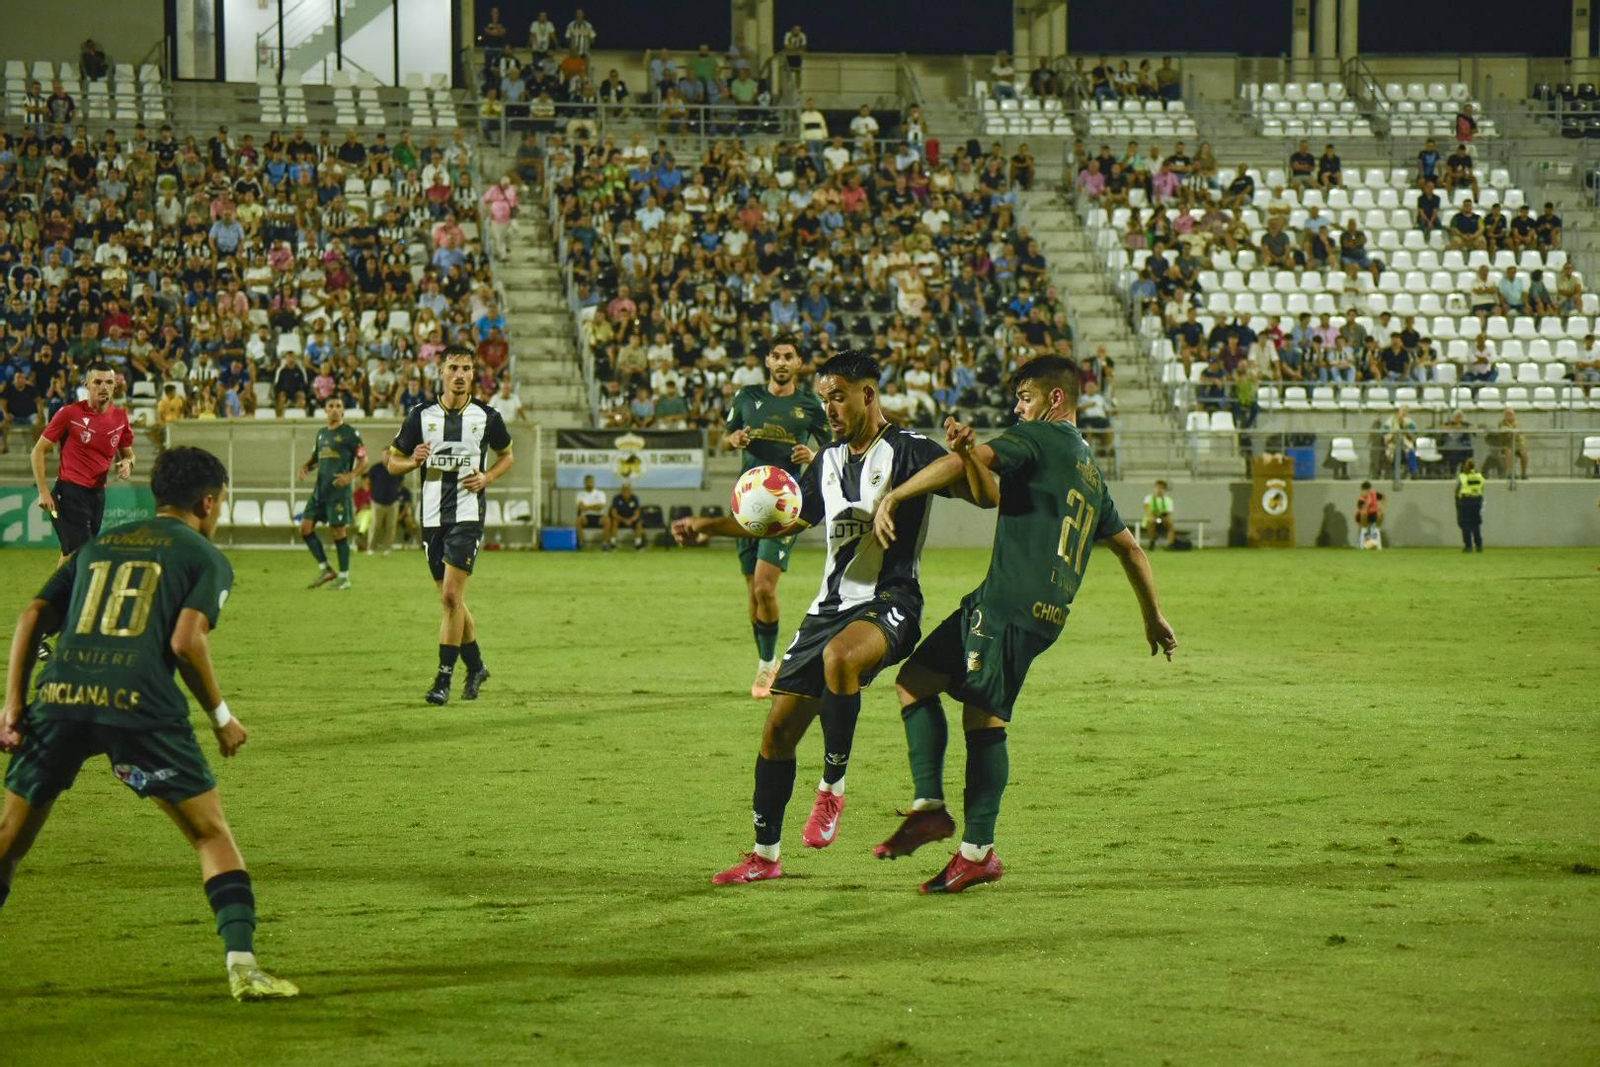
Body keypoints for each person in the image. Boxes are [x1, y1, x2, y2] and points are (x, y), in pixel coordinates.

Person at [869, 356, 1177, 892]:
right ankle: (930, 809)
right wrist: (1153, 617)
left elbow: (970, 465)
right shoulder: (1088, 469)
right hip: (1014, 603)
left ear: (1054, 399)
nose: (1018, 407)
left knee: (982, 721)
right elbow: (1129, 549)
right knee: (914, 680)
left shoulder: (1039, 438)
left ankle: (976, 852)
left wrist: (897, 492)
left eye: (1025, 396)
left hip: (1012, 607)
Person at [0, 446, 297, 1001]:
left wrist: (13, 704)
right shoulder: (205, 556)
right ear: (208, 502)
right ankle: (243, 966)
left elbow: (32, 614)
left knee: (10, 842)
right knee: (210, 834)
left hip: (61, 693)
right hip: (140, 704)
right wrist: (222, 719)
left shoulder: (99, 543)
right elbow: (186, 640)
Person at [672, 351, 966, 885]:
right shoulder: (826, 461)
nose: (828, 406)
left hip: (891, 601)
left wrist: (900, 496)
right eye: (824, 396)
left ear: (868, 395)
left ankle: (831, 789)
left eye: (838, 395)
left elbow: (962, 471)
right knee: (776, 734)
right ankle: (764, 857)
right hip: (827, 610)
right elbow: (783, 522)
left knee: (841, 659)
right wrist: (712, 525)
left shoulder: (910, 449)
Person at [386, 346, 515, 706]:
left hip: (468, 514)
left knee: (450, 597)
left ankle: (443, 679)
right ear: (441, 372)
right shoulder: (421, 416)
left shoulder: (487, 416)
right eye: (453, 367)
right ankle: (476, 666)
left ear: (474, 374)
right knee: (453, 602)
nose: (460, 374)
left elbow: (508, 456)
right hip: (431, 518)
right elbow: (390, 461)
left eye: (467, 369)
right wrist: (412, 461)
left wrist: (487, 476)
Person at [721, 335, 829, 697]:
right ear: (767, 361)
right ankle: (767, 661)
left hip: (784, 509)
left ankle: (768, 669)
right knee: (754, 592)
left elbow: (835, 450)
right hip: (747, 505)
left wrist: (813, 456)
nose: (782, 362)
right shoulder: (746, 398)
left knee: (766, 588)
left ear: (799, 364)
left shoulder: (811, 406)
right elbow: (724, 438)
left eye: (789, 357)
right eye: (776, 356)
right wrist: (733, 440)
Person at [32, 363, 135, 565]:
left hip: (97, 496)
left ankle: (55, 596)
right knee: (85, 551)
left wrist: (127, 463)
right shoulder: (69, 413)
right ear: (86, 384)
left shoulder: (121, 417)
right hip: (68, 493)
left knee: (70, 553)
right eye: (97, 382)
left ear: (115, 386)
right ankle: (78, 595)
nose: (103, 387)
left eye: (108, 382)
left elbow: (129, 454)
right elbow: (37, 451)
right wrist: (43, 490)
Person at [296, 397, 367, 591]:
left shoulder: (350, 434)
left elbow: (364, 460)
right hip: (320, 491)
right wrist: (305, 467)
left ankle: (344, 577)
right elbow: (315, 458)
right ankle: (326, 569)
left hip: (338, 491)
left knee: (338, 531)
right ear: (325, 411)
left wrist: (351, 476)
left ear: (343, 411)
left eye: (338, 406)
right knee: (305, 528)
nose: (335, 410)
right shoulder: (321, 434)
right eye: (331, 406)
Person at [603, 480, 646, 551]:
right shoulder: (616, 498)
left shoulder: (635, 498)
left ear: (631, 490)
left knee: (639, 523)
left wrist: (631, 520)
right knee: (614, 522)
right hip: (620, 519)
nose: (626, 491)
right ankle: (613, 544)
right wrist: (624, 520)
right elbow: (614, 513)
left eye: (628, 489)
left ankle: (638, 544)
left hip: (632, 519)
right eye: (624, 489)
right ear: (621, 490)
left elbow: (637, 513)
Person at [1456, 458, 1485, 552]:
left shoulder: (1462, 476)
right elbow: (1482, 487)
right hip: (1477, 501)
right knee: (1476, 524)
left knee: (1465, 525)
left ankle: (1468, 546)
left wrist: (1456, 501)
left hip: (1465, 501)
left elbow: (1457, 489)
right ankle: (1479, 545)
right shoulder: (1479, 476)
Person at [575, 474, 608, 547]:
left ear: (594, 482)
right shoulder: (580, 494)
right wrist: (594, 506)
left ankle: (605, 543)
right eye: (587, 482)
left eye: (591, 482)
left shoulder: (600, 493)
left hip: (599, 516)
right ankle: (582, 542)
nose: (589, 483)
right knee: (578, 520)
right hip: (586, 517)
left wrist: (587, 507)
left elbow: (601, 506)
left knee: (607, 521)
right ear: (584, 483)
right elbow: (581, 507)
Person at [1143, 479, 1176, 548]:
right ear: (1154, 488)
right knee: (1151, 521)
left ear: (1164, 489)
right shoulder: (1149, 498)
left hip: (1163, 519)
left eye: (1161, 488)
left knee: (1171, 523)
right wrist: (1153, 517)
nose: (1159, 490)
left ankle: (1171, 544)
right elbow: (1147, 510)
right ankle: (1152, 542)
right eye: (1157, 487)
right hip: (1152, 519)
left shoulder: (1168, 500)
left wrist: (1166, 518)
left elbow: (1169, 513)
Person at [1356, 481, 1384, 549]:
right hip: (1362, 517)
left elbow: (1384, 497)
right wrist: (1368, 502)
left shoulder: (1374, 494)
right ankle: (1365, 536)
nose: (1367, 492)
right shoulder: (1360, 500)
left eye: (1368, 490)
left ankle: (1375, 534)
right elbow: (1363, 509)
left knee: (1380, 513)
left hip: (1372, 515)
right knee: (1364, 513)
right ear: (1362, 490)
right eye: (1365, 491)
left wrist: (1382, 507)